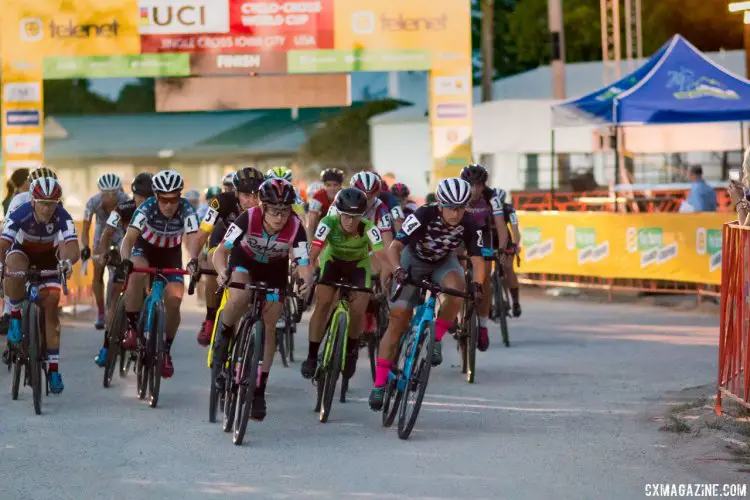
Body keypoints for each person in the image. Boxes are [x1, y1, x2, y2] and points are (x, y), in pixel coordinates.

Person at [369, 178, 485, 411]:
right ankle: (380, 384)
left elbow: (477, 259)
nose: (456, 213)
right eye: (451, 207)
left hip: (443, 261)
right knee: (398, 319)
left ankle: (437, 338)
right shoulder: (423, 215)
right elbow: (395, 248)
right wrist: (398, 270)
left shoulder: (470, 222)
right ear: (440, 204)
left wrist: (478, 284)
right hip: (412, 260)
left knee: (458, 286)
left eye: (461, 208)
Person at [212, 178, 313, 420]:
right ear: (263, 207)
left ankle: (259, 390)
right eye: (275, 211)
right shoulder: (247, 218)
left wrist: (305, 283)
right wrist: (222, 271)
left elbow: (303, 264)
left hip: (274, 269)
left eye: (285, 211)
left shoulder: (296, 227)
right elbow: (221, 251)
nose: (280, 217)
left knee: (270, 326)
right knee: (239, 296)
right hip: (244, 261)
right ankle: (224, 335)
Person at [0, 177, 79, 394]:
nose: (47, 208)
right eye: (43, 203)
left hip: (48, 259)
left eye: (52, 203)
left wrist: (67, 262)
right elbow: (4, 243)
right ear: (33, 201)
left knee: (52, 306)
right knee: (12, 266)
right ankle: (15, 317)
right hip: (22, 253)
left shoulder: (63, 216)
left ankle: (53, 370)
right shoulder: (20, 213)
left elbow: (73, 247)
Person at [302, 188, 390, 381]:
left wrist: (385, 276)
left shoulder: (369, 228)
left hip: (358, 266)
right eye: (346, 216)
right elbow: (315, 250)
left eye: (355, 217)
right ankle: (311, 355)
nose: (350, 221)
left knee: (359, 308)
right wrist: (309, 272)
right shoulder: (328, 222)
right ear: (339, 213)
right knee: (323, 303)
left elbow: (381, 255)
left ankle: (351, 350)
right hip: (332, 261)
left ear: (362, 215)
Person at [120, 170, 199, 378]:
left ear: (179, 196)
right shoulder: (146, 208)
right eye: (164, 200)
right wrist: (125, 260)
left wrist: (193, 260)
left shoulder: (187, 210)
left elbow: (192, 239)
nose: (169, 205)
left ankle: (165, 351)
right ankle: (132, 328)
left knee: (174, 300)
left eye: (173, 199)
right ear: (156, 196)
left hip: (170, 254)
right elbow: (128, 239)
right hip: (144, 248)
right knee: (136, 274)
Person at [190, 167, 265, 346]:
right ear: (236, 192)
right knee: (210, 263)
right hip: (222, 242)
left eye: (256, 196)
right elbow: (201, 235)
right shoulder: (221, 201)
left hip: (250, 247)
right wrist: (193, 259)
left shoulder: (267, 206)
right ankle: (210, 318)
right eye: (246, 195)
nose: (252, 201)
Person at [93, 173, 154, 367]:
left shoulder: (159, 210)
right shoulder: (123, 208)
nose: (143, 203)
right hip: (125, 252)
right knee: (116, 294)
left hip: (150, 254)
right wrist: (103, 255)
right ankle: (106, 345)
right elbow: (106, 234)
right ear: (132, 195)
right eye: (139, 198)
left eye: (148, 199)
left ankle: (149, 333)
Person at [461, 164, 521, 350]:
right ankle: (457, 314)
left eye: (479, 185)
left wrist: (504, 248)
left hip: (485, 236)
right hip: (462, 234)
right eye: (471, 184)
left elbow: (503, 228)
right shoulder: (459, 194)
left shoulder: (492, 198)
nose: (475, 189)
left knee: (484, 274)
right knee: (458, 271)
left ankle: (484, 324)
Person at [81, 173, 130, 330]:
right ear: (100, 192)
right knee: (98, 268)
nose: (110, 197)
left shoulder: (126, 200)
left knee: (126, 258)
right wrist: (86, 247)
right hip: (102, 232)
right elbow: (85, 228)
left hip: (119, 231)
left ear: (119, 192)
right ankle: (101, 312)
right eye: (106, 194)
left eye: (114, 193)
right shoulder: (92, 203)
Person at [307, 168, 344, 241]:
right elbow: (311, 222)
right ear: (324, 185)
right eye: (329, 185)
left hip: (341, 223)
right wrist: (310, 240)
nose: (332, 188)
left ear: (340, 185)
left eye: (335, 185)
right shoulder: (318, 195)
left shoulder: (345, 195)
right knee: (314, 216)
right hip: (323, 223)